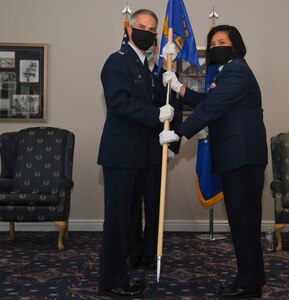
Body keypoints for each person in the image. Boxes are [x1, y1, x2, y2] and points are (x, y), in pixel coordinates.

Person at [160, 25, 268, 299]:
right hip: (238, 157)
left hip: (241, 158)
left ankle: (248, 283)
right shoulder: (229, 71)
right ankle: (250, 278)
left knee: (243, 222)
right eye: (214, 42)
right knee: (243, 221)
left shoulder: (237, 70)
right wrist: (179, 88)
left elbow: (212, 107)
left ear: (236, 44)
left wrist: (178, 134)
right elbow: (210, 100)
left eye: (223, 41)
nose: (217, 45)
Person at [97, 9, 175, 299]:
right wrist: (156, 114)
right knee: (118, 221)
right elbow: (119, 104)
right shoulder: (117, 62)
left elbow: (158, 106)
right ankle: (111, 283)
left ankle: (120, 277)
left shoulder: (146, 67)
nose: (147, 32)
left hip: (143, 156)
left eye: (152, 29)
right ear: (129, 29)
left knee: (129, 219)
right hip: (121, 155)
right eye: (141, 26)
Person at [128, 39, 182, 269]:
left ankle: (151, 251)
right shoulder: (130, 71)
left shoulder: (166, 78)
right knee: (131, 205)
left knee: (154, 204)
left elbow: (175, 112)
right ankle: (133, 251)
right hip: (131, 150)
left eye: (153, 47)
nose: (150, 50)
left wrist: (172, 147)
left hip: (156, 149)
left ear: (158, 51)